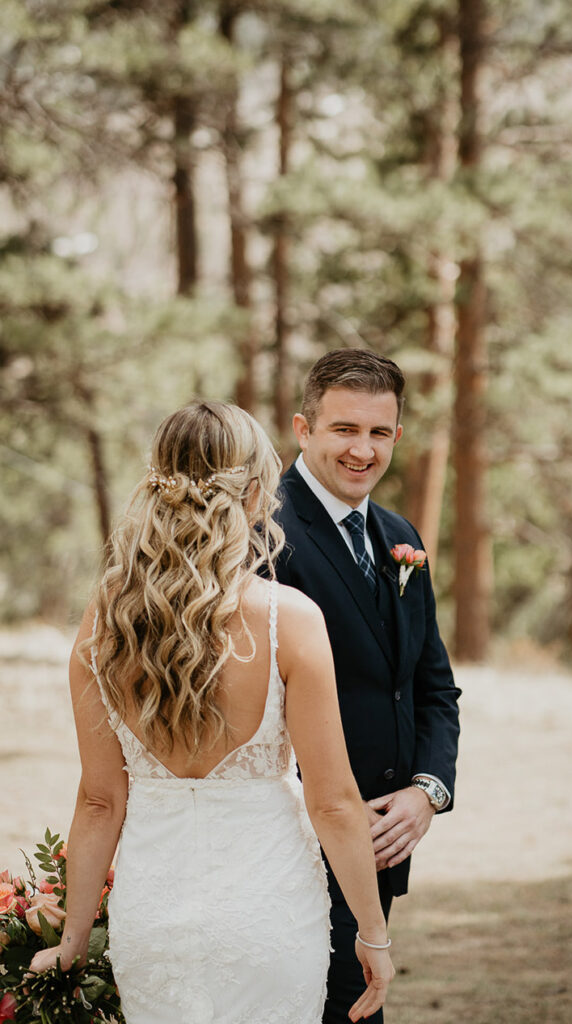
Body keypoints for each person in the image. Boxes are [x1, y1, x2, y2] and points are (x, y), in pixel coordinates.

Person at [30, 401, 394, 1024]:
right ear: (254, 495)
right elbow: (332, 801)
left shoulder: (105, 624)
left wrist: (72, 941)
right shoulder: (290, 619)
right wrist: (373, 934)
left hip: (154, 922)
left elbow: (99, 801)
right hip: (269, 915)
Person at [274, 349, 461, 1024]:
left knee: (354, 1009)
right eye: (343, 430)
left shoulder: (398, 535)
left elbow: (431, 687)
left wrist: (426, 790)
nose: (363, 450)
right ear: (302, 428)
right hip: (284, 841)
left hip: (380, 844)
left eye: (378, 432)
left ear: (396, 437)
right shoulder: (259, 533)